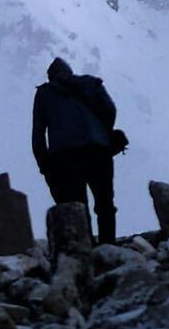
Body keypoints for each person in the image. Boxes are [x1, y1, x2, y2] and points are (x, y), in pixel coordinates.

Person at [31, 56, 121, 245]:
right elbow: (110, 109)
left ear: (50, 77)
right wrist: (103, 132)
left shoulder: (45, 93)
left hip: (65, 157)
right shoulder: (90, 83)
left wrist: (44, 164)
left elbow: (38, 133)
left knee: (77, 205)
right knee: (105, 202)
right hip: (99, 151)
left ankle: (86, 248)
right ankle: (108, 247)